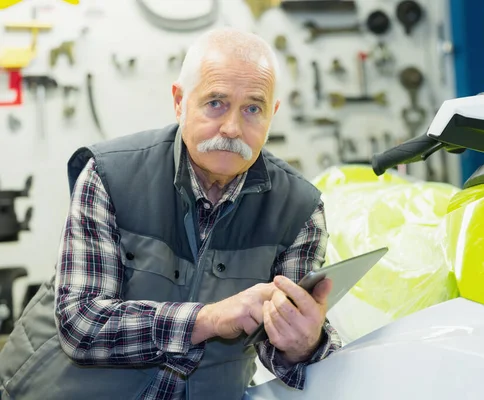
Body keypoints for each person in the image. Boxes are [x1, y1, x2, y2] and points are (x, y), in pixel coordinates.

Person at [0, 27, 341, 400]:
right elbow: (82, 325)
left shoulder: (300, 212)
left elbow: (282, 352)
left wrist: (304, 343)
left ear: (272, 115)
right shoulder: (108, 176)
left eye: (253, 109)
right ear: (180, 101)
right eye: (216, 103)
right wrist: (208, 319)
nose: (232, 128)